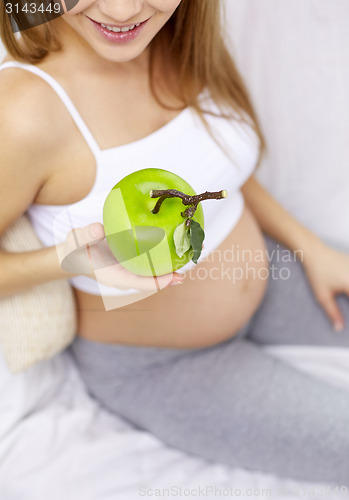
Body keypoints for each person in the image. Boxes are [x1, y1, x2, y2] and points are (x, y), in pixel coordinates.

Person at [0, 0, 349, 484]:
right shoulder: (22, 112)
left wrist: (311, 249)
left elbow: (219, 161)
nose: (122, 11)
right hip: (167, 367)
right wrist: (69, 259)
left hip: (274, 280)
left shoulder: (176, 34)